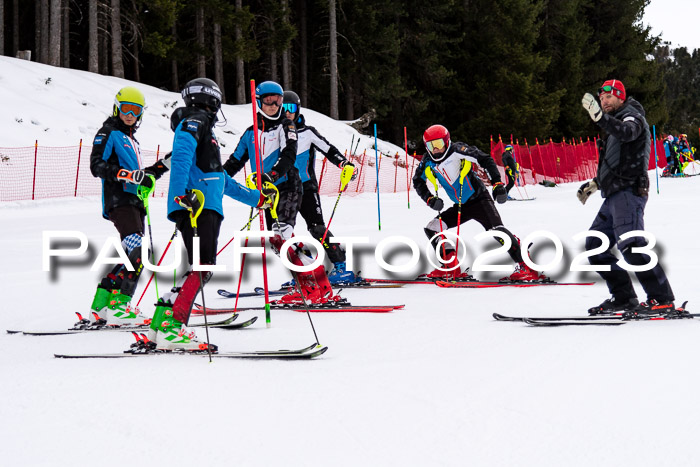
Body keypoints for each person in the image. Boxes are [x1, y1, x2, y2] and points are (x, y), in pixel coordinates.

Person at [146, 78, 275, 351]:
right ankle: (173, 328)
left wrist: (258, 199)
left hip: (205, 206)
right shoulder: (195, 120)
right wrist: (182, 194)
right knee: (203, 267)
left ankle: (161, 323)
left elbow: (222, 180)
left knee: (199, 268)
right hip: (196, 205)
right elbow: (181, 156)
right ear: (212, 100)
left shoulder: (206, 130)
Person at [224, 82, 338, 305]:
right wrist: (217, 179)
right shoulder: (251, 133)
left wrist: (272, 176)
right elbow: (235, 161)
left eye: (277, 100)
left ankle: (311, 288)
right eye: (268, 100)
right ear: (259, 101)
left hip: (288, 185)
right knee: (277, 241)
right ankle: (318, 281)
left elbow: (288, 154)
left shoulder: (287, 127)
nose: (274, 105)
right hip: (266, 195)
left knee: (282, 235)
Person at [579, 79, 675, 316]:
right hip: (613, 194)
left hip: (629, 191)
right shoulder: (614, 125)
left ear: (621, 96)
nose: (604, 102)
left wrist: (601, 118)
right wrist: (596, 183)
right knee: (594, 246)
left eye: (609, 97)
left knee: (631, 245)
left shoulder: (631, 117)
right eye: (601, 99)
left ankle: (661, 299)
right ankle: (623, 298)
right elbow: (615, 159)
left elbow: (628, 133)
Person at [413, 124, 544, 281]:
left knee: (497, 231)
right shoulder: (427, 160)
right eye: (430, 145)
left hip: (480, 199)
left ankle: (528, 267)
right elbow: (417, 181)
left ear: (447, 142)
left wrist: (497, 184)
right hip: (461, 206)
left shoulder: (457, 150)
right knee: (432, 228)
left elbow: (484, 159)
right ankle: (450, 265)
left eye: (438, 144)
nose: (435, 149)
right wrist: (430, 199)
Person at [87, 86, 162, 327]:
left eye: (136, 110)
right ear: (117, 108)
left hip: (134, 202)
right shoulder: (108, 132)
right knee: (140, 251)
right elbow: (96, 166)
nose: (130, 114)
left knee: (131, 253)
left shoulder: (132, 139)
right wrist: (125, 175)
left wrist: (162, 166)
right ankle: (120, 306)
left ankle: (101, 305)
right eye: (125, 108)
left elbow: (139, 174)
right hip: (119, 201)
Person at [281, 90, 360, 285]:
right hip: (284, 190)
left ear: (297, 110)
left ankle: (340, 265)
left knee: (317, 228)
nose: (287, 113)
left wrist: (345, 165)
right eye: (283, 108)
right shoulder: (275, 134)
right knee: (283, 233)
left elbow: (330, 150)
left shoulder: (307, 133)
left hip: (306, 187)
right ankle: (303, 270)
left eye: (290, 108)